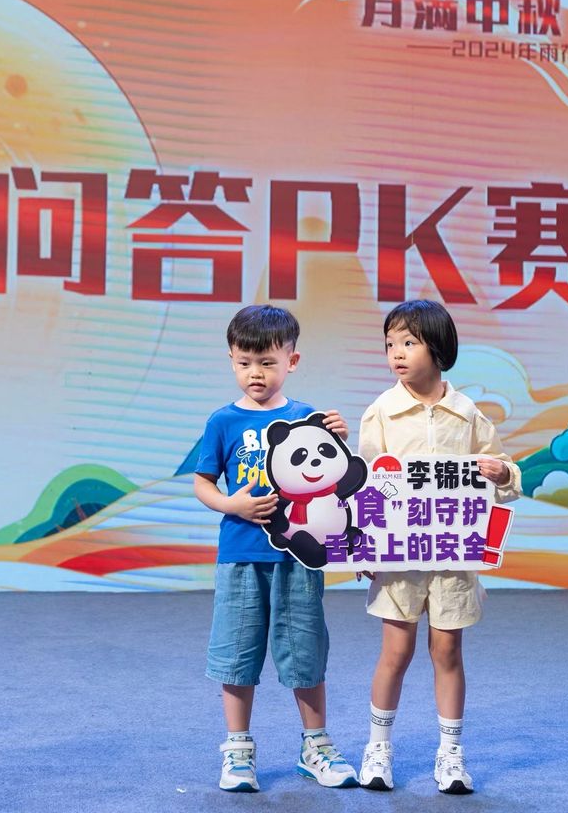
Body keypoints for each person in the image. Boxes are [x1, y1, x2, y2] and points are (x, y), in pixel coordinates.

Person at [356, 300, 521, 795]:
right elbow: (363, 484)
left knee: (447, 650)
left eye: (408, 343)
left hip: (452, 555)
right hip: (400, 556)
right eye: (390, 344)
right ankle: (378, 748)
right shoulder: (381, 412)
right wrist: (365, 546)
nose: (396, 353)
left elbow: (502, 475)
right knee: (396, 650)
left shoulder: (466, 413)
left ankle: (450, 753)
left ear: (438, 347)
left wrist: (501, 472)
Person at [194, 304, 358, 792]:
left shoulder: (307, 418)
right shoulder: (222, 421)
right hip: (241, 556)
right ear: (230, 360)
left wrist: (341, 439)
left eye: (267, 362)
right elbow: (203, 483)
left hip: (299, 558)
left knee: (305, 650)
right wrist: (232, 505)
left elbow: (335, 478)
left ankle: (316, 746)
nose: (255, 373)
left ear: (292, 360)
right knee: (236, 653)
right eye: (244, 362)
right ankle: (238, 749)